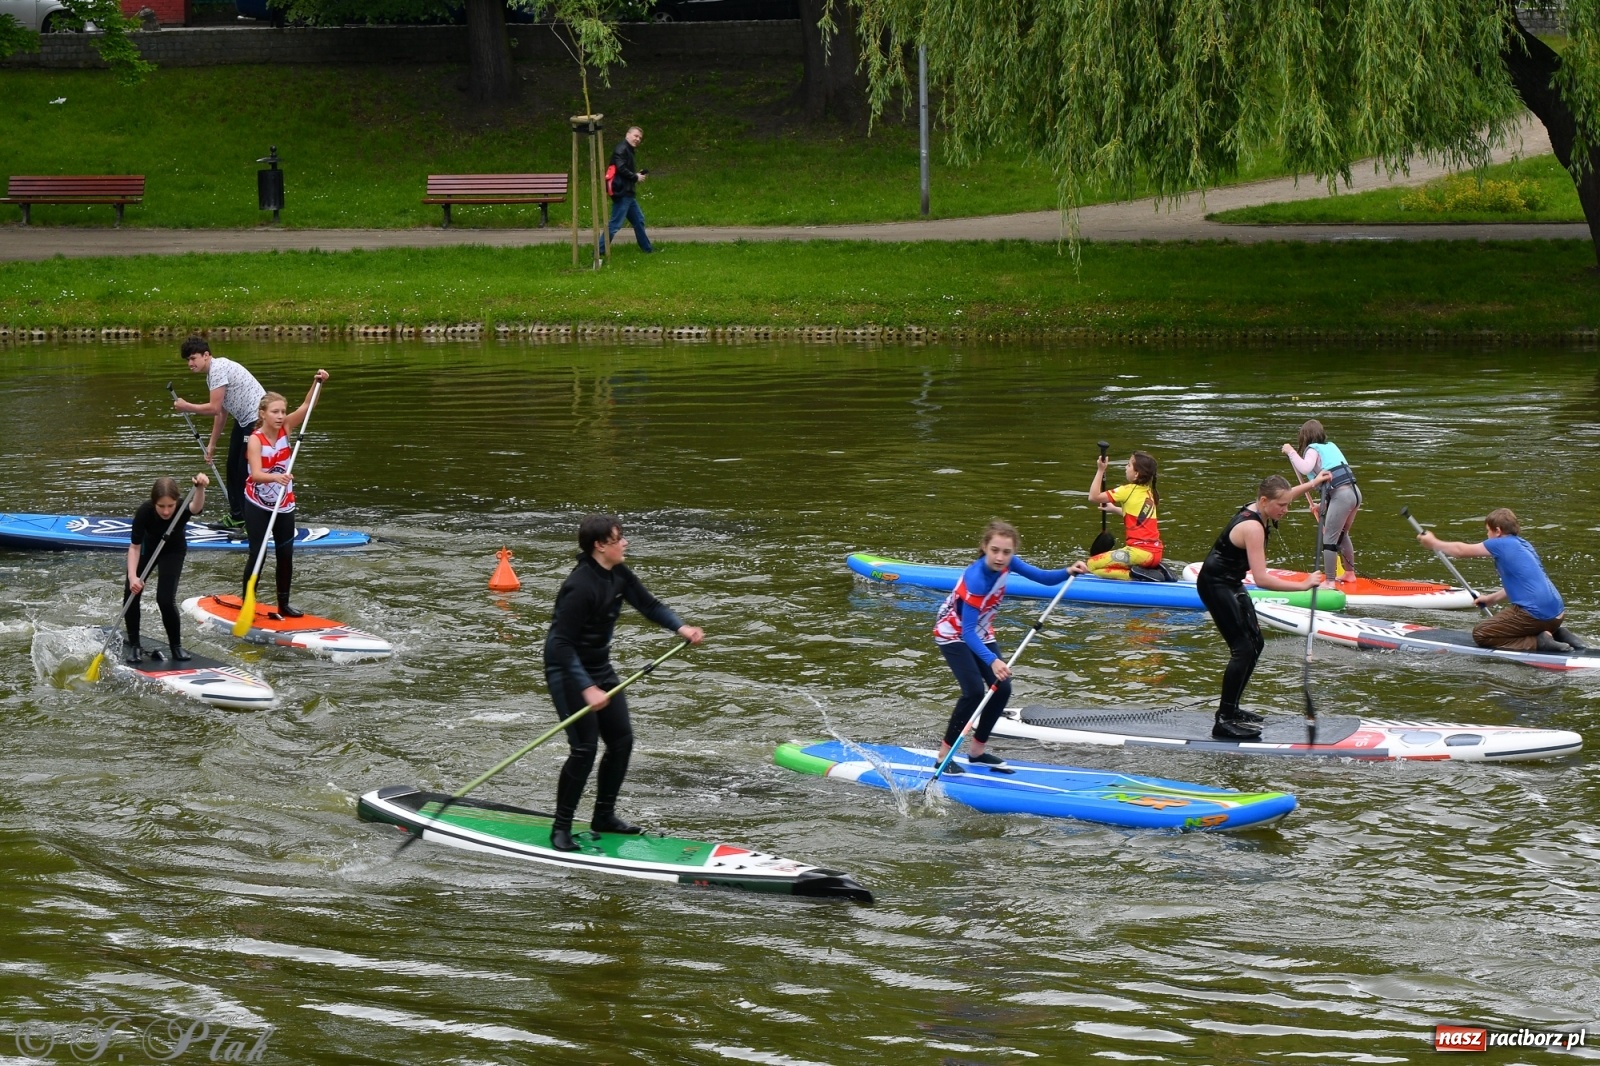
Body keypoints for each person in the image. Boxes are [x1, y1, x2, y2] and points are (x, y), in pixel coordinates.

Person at [543, 514, 704, 852]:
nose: (625, 543)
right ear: (600, 545)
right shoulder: (579, 586)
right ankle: (561, 828)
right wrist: (587, 687)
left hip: (600, 668)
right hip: (568, 672)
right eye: (618, 538)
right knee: (584, 749)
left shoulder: (618, 573)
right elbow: (559, 644)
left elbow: (648, 604)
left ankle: (604, 816)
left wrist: (681, 628)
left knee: (621, 741)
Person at [1196, 473, 1330, 740]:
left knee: (1257, 643)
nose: (1286, 510)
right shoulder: (1253, 528)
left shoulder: (1263, 505)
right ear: (1264, 501)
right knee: (1242, 649)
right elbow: (1262, 579)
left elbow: (1285, 494)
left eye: (1288, 504)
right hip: (1215, 585)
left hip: (1231, 582)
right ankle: (1223, 720)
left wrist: (1314, 484)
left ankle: (1232, 709)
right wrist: (1304, 585)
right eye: (1282, 505)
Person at [933, 520, 1069, 773]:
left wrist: (1069, 571)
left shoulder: (1009, 563)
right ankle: (943, 757)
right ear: (985, 547)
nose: (1000, 557)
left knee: (1002, 688)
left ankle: (977, 752)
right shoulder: (976, 579)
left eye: (1006, 552)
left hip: (981, 631)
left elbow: (1044, 578)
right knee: (974, 693)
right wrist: (993, 661)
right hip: (953, 632)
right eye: (995, 550)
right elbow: (966, 632)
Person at [1417, 508, 1585, 652]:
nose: (1487, 535)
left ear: (1497, 531)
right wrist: (1491, 599)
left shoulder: (1500, 543)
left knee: (1481, 633)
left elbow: (1460, 551)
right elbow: (1523, 583)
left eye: (1488, 531)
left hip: (1536, 616)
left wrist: (1434, 543)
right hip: (1557, 615)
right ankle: (1557, 632)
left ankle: (1538, 642)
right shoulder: (1525, 545)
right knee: (1522, 618)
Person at [242, 371, 328, 618]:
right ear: (263, 414)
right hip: (258, 504)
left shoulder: (287, 428)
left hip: (284, 504)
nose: (280, 416)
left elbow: (307, 405)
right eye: (275, 412)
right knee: (257, 554)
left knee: (285, 554)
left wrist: (317, 383)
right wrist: (276, 478)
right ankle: (248, 603)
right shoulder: (255, 440)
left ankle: (283, 604)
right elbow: (256, 474)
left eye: (283, 412)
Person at [173, 336, 265, 529]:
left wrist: (187, 406)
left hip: (258, 421)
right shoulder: (212, 374)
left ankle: (252, 525)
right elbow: (222, 412)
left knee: (244, 473)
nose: (190, 363)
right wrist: (212, 444)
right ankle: (237, 516)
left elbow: (214, 408)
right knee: (232, 467)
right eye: (188, 360)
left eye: (193, 358)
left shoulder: (218, 369)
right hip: (244, 421)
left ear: (206, 355)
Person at [124, 474, 208, 663]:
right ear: (154, 503)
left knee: (165, 599)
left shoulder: (182, 507)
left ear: (176, 501)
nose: (166, 511)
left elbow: (196, 507)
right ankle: (135, 645)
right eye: (161, 506)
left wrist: (201, 487)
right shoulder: (144, 512)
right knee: (131, 593)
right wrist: (133, 577)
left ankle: (176, 646)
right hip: (147, 549)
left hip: (173, 551)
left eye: (170, 505)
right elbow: (134, 548)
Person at [1282, 419, 1362, 584]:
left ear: (1304, 437)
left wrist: (1291, 452)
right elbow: (1335, 483)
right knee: (1342, 534)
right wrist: (1323, 505)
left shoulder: (1313, 449)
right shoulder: (1331, 446)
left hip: (1342, 497)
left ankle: (1330, 582)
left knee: (1329, 539)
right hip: (1354, 494)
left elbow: (1305, 468)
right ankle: (1349, 574)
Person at [1069, 450, 1162, 579]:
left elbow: (1093, 497)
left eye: (1129, 465)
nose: (1125, 467)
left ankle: (1134, 576)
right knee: (1105, 565)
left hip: (1139, 554)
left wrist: (1101, 470)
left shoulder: (1127, 490)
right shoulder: (1149, 493)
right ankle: (1148, 572)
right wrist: (1114, 509)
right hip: (1155, 554)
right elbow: (1140, 519)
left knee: (1091, 564)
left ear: (1136, 474)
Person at [603, 126, 654, 256]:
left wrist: (635, 175)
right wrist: (635, 177)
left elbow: (623, 170)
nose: (637, 139)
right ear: (627, 135)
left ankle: (648, 249)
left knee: (638, 220)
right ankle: (599, 251)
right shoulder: (621, 149)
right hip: (622, 192)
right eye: (635, 136)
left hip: (627, 192)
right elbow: (621, 169)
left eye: (640, 138)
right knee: (615, 224)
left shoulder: (627, 150)